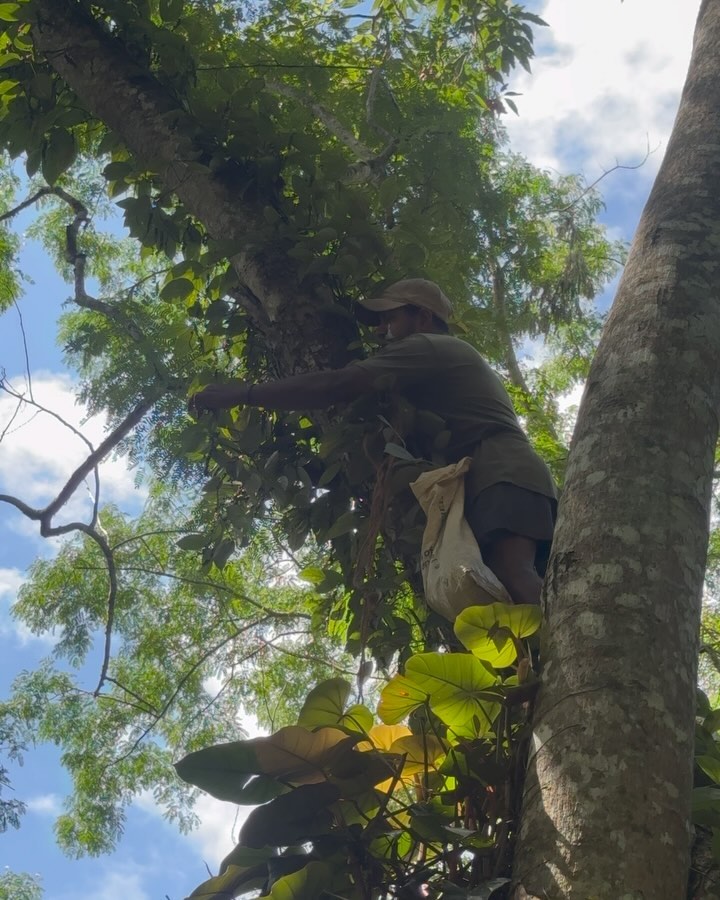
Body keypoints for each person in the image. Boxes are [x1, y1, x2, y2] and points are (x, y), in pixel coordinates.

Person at [190, 279, 557, 605]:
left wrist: (246, 394)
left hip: (502, 470)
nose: (381, 330)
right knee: (502, 597)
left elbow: (337, 385)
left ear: (423, 317)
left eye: (390, 318)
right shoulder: (433, 358)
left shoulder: (428, 346)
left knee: (512, 574)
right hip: (501, 476)